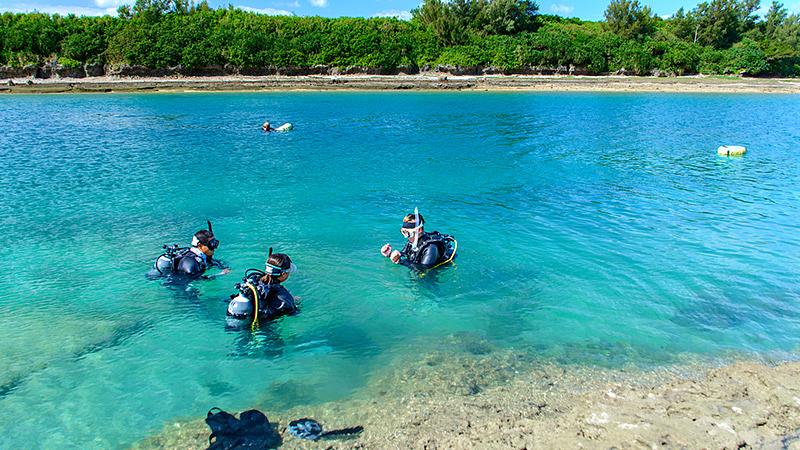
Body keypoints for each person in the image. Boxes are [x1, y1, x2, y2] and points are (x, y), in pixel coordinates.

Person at [226, 250, 298, 327]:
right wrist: (292, 301)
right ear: (283, 274)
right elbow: (292, 312)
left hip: (240, 321)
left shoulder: (254, 281)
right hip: (261, 327)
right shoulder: (283, 295)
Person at [380, 208, 457, 271]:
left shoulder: (431, 248)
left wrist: (400, 261)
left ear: (419, 230)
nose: (406, 236)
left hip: (431, 275)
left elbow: (423, 269)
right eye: (403, 232)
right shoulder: (412, 241)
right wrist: (389, 254)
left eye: (408, 233)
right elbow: (403, 254)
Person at [152, 221, 229, 279]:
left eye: (215, 243)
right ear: (200, 245)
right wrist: (219, 274)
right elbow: (192, 279)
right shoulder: (190, 263)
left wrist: (223, 267)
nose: (214, 247)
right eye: (211, 244)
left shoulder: (202, 257)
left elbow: (212, 262)